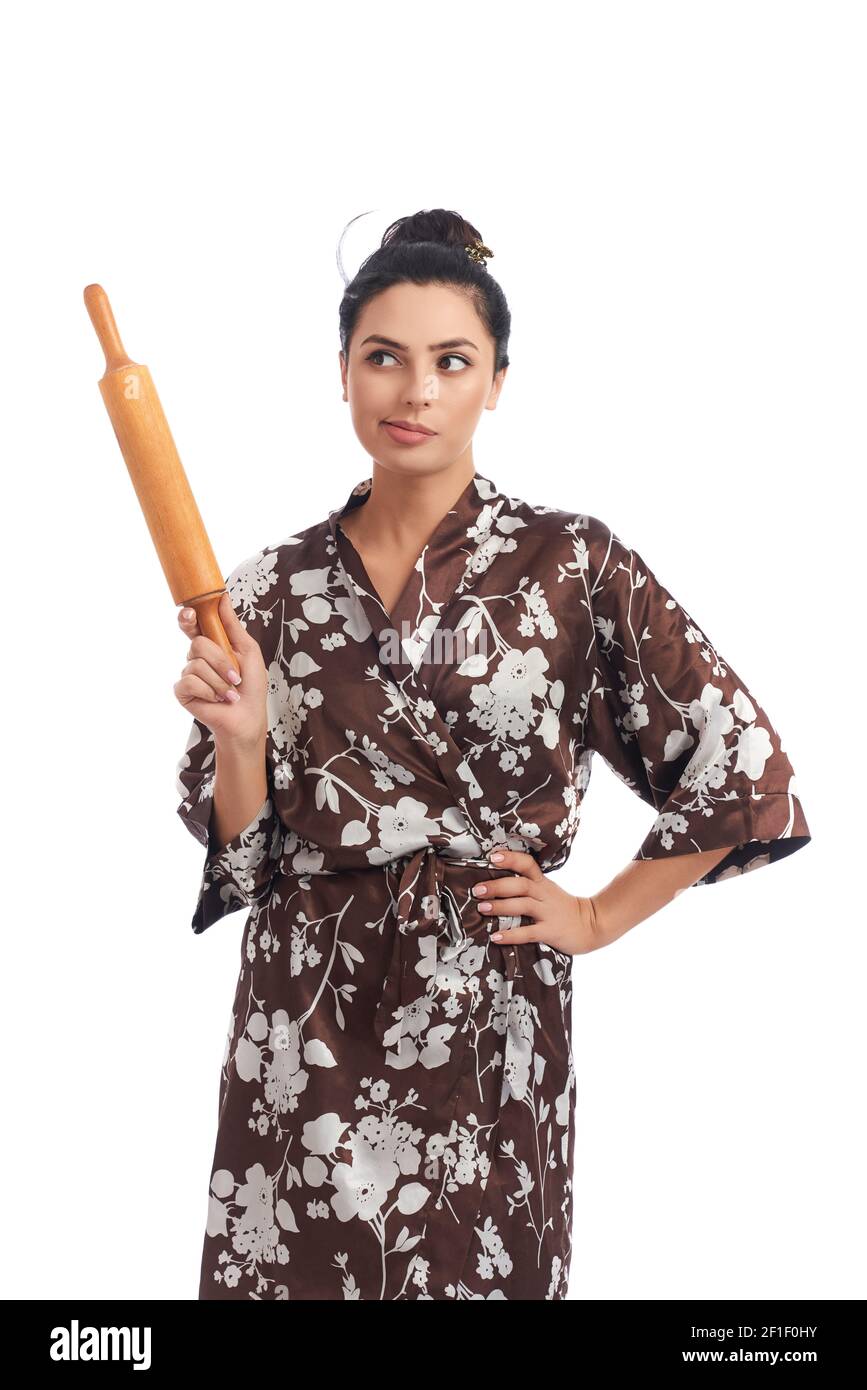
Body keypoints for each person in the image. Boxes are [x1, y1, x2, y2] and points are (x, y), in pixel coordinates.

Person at [173, 208, 811, 1301]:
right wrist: (241, 739)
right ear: (342, 373)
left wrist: (597, 914)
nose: (414, 392)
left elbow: (739, 758)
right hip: (304, 1014)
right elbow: (246, 853)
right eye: (385, 359)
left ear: (496, 381)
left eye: (450, 361)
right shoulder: (265, 588)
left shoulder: (570, 563)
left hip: (484, 1008)